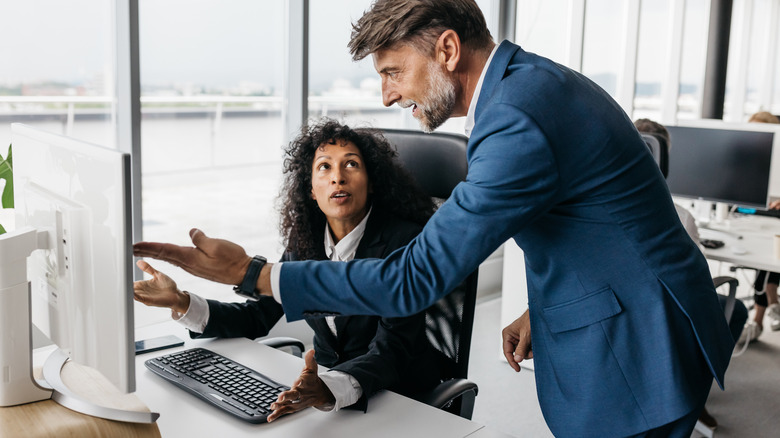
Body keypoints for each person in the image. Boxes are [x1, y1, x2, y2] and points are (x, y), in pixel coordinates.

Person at [134, 1, 735, 436]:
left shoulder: (516, 118)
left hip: (640, 344)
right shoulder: (525, 90)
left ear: (447, 49)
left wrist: (252, 272)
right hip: (627, 305)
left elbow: (411, 281)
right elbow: (598, 224)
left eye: (394, 72)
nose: (389, 96)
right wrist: (539, 308)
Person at [133, 119, 442, 422]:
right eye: (324, 167)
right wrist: (183, 303)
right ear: (310, 189)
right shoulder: (305, 239)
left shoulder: (406, 242)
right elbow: (259, 315)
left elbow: (392, 351)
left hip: (397, 399)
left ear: (371, 181)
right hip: (325, 399)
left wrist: (328, 388)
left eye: (351, 165)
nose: (338, 178)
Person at [635, 118, 749, 431]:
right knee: (736, 309)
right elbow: (695, 283)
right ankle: (697, 393)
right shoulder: (680, 216)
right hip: (669, 321)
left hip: (625, 320)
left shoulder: (597, 211)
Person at [740, 111, 780, 343]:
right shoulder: (745, 156)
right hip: (751, 214)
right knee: (764, 253)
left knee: (768, 252)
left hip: (775, 217)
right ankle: (773, 303)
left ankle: (757, 320)